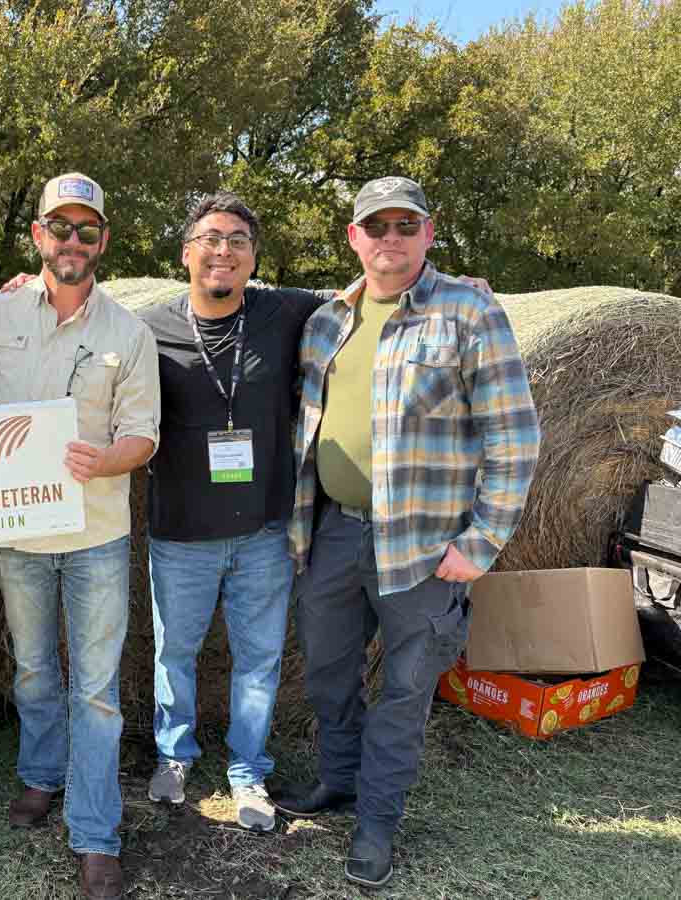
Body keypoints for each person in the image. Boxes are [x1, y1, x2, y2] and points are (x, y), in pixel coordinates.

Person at [278, 176, 540, 888]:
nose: (389, 237)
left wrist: (480, 544)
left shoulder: (468, 310)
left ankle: (376, 825)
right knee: (328, 674)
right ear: (354, 237)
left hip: (425, 547)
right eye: (375, 225)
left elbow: (514, 437)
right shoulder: (328, 318)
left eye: (405, 224)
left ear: (428, 232)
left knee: (403, 692)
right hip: (333, 533)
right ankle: (339, 780)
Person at [0, 173, 161, 900]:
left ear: (102, 241)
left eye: (87, 230)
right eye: (60, 228)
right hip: (16, 532)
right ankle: (41, 776)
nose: (72, 242)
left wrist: (109, 457)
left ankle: (94, 833)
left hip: (95, 535)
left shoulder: (129, 334)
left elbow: (143, 434)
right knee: (32, 669)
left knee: (97, 689)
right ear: (38, 236)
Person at [139, 192, 325, 833]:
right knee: (174, 653)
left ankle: (249, 773)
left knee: (258, 659)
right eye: (211, 239)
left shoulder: (285, 311)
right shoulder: (149, 328)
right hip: (180, 534)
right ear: (186, 253)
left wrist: (445, 289)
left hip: (263, 533)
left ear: (253, 257)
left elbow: (368, 295)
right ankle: (174, 755)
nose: (224, 251)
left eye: (239, 240)